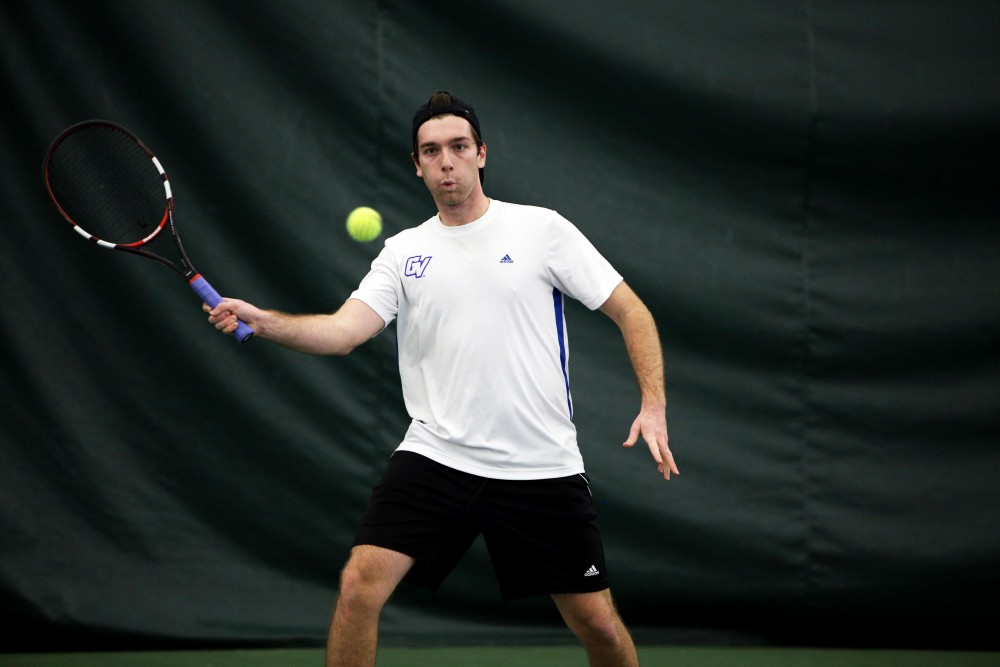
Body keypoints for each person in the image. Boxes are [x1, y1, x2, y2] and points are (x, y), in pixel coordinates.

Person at [206, 91, 678, 667]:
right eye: (431, 151)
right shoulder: (404, 253)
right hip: (437, 455)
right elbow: (343, 331)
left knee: (599, 626)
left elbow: (631, 310)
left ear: (481, 154)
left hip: (539, 463)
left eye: (458, 147)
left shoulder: (541, 230)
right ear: (417, 164)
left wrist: (652, 404)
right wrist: (265, 322)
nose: (446, 161)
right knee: (360, 586)